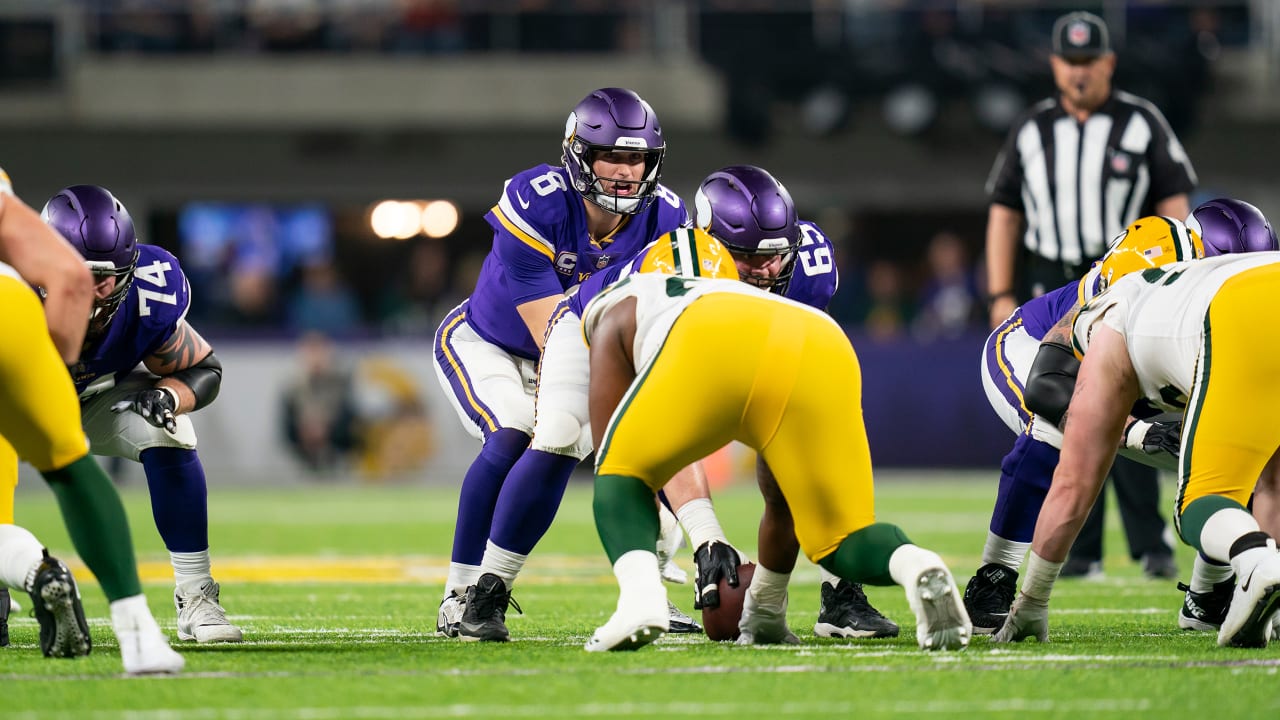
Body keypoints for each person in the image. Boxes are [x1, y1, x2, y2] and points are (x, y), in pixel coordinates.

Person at [581, 272, 972, 652]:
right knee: (840, 539)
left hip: (708, 335)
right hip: (820, 338)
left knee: (620, 471)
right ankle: (914, 563)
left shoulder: (605, 312)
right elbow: (780, 491)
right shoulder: (717, 287)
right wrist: (763, 608)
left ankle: (640, 601)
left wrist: (651, 531)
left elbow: (612, 460)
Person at [432, 88, 689, 638]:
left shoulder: (668, 216)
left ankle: (653, 588)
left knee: (636, 445)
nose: (626, 172)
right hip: (491, 342)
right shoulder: (536, 199)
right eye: (613, 157)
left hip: (584, 345)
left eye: (638, 158)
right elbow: (554, 330)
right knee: (514, 436)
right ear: (579, 154)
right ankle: (459, 594)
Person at [964, 207, 1274, 634]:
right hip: (1051, 350)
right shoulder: (1153, 254)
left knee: (1240, 455)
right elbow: (1052, 386)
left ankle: (1208, 595)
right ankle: (995, 578)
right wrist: (1138, 431)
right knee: (1053, 433)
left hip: (1160, 365)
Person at [984, 10, 1197, 581]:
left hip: (1128, 279)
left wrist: (1184, 278)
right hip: (1055, 280)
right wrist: (1001, 292)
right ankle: (1078, 549)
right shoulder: (1031, 128)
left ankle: (1151, 544)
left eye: (1089, 61)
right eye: (1069, 62)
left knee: (1130, 400)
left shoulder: (1141, 122)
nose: (1079, 73)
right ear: (1055, 65)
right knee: (1061, 412)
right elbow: (1004, 213)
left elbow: (1175, 202)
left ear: (1109, 63)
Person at [674, 165, 898, 641]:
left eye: (775, 255)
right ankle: (648, 589)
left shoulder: (810, 270)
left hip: (770, 357)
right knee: (643, 460)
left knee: (806, 465)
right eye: (747, 256)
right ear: (706, 243)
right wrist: (706, 535)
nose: (765, 269)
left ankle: (836, 597)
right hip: (692, 369)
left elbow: (799, 358)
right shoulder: (670, 270)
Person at [28, 185, 242, 644]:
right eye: (86, 274)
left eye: (111, 275)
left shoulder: (148, 289)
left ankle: (196, 597)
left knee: (169, 430)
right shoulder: (14, 289)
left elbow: (203, 369)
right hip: (16, 405)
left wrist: (167, 398)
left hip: (91, 401)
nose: (99, 289)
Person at [0, 170, 183, 674]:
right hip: (10, 310)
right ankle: (139, 634)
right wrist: (48, 386)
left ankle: (27, 573)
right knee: (72, 469)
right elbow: (74, 280)